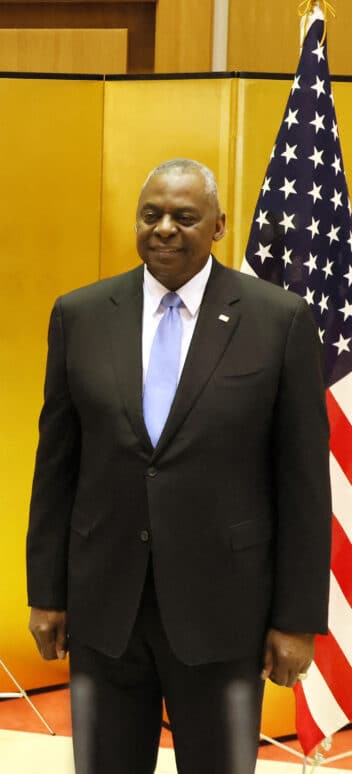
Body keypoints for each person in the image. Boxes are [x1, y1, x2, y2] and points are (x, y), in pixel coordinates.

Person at [26, 158, 332, 773]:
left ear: (219, 226)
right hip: (105, 608)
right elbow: (56, 466)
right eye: (152, 215)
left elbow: (303, 484)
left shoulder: (279, 320)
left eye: (184, 217)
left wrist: (298, 620)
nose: (165, 228)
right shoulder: (80, 315)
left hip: (225, 612)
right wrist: (47, 593)